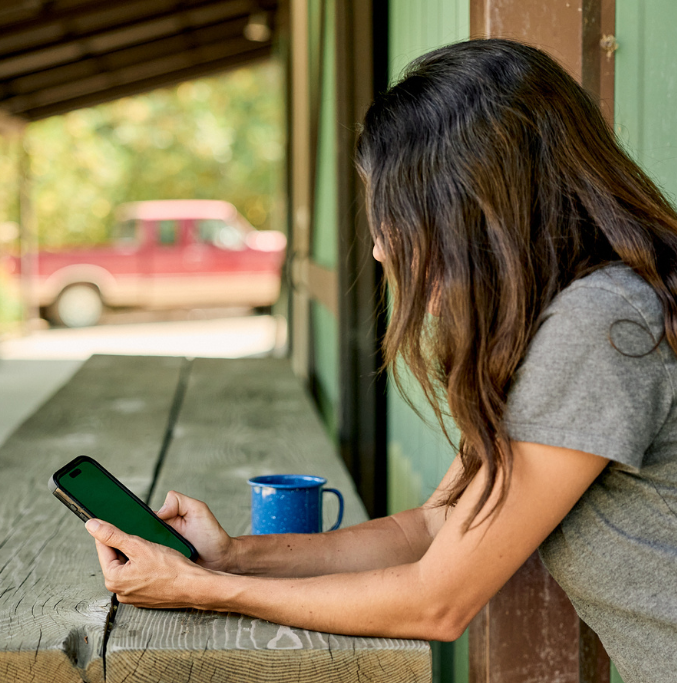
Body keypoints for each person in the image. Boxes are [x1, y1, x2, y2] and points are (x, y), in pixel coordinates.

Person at [83, 39, 677, 683]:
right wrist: (229, 556)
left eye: (396, 217)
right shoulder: (574, 308)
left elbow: (437, 601)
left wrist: (202, 590)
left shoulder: (601, 321)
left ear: (471, 211)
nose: (378, 248)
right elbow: (436, 524)